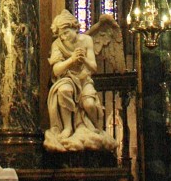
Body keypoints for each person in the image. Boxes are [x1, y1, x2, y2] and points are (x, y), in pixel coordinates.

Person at [44, 9, 117, 152]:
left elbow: (94, 67)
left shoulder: (86, 40)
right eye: (61, 35)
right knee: (64, 90)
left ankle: (97, 129)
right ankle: (67, 127)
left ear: (74, 28)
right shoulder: (57, 44)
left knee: (89, 104)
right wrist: (71, 60)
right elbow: (57, 70)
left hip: (84, 80)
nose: (64, 37)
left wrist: (83, 59)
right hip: (67, 78)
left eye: (66, 32)